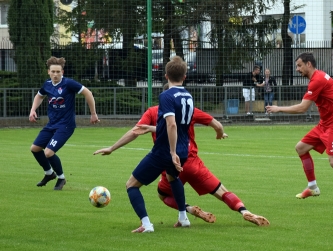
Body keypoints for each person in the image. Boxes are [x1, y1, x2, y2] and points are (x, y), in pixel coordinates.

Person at [94, 105, 269, 227]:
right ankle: (244, 211)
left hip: (169, 162)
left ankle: (187, 210)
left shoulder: (154, 111)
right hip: (191, 162)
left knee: (162, 195)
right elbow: (217, 124)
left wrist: (112, 148)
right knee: (222, 192)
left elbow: (136, 131)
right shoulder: (189, 110)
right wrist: (220, 134)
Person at [266, 52, 333, 207]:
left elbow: (302, 108)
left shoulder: (317, 80)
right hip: (325, 124)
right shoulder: (318, 77)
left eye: (299, 65)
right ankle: (312, 187)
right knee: (301, 148)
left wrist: (278, 109)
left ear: (308, 64)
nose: (297, 69)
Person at [117, 56, 193, 233]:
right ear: (184, 77)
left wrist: (172, 152)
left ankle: (146, 224)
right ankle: (183, 218)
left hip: (165, 150)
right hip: (184, 148)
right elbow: (182, 125)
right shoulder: (188, 96)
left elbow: (172, 124)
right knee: (173, 178)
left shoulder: (166, 95)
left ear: (166, 76)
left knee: (131, 185)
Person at [29, 56, 99, 191]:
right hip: (51, 124)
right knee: (35, 149)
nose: (55, 74)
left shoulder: (69, 84)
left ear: (63, 72)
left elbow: (88, 93)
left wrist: (93, 113)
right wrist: (33, 110)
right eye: (53, 72)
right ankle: (49, 174)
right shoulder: (47, 84)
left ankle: (61, 178)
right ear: (48, 72)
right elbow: (39, 95)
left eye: (58, 72)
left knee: (48, 153)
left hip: (66, 125)